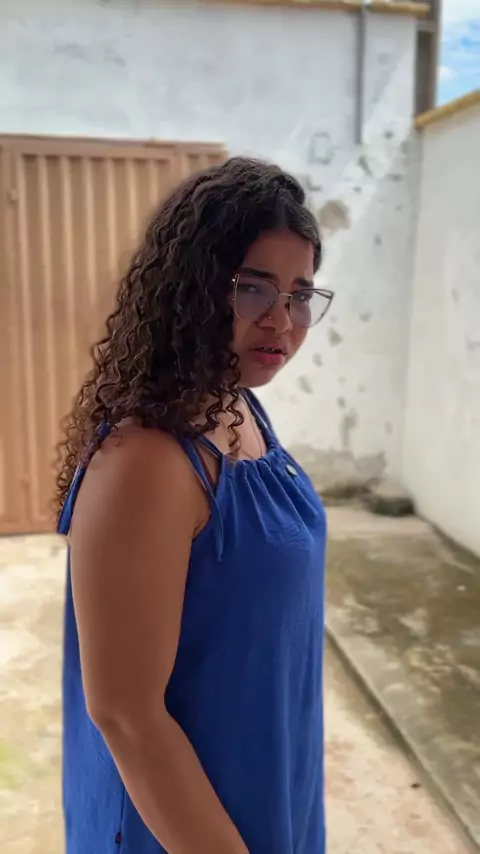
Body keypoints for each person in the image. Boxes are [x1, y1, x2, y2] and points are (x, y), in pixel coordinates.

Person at [56, 157, 334, 854]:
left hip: (263, 773)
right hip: (180, 822)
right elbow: (125, 715)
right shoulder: (146, 459)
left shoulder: (238, 407)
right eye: (252, 288)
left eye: (300, 295)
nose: (281, 320)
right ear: (190, 290)